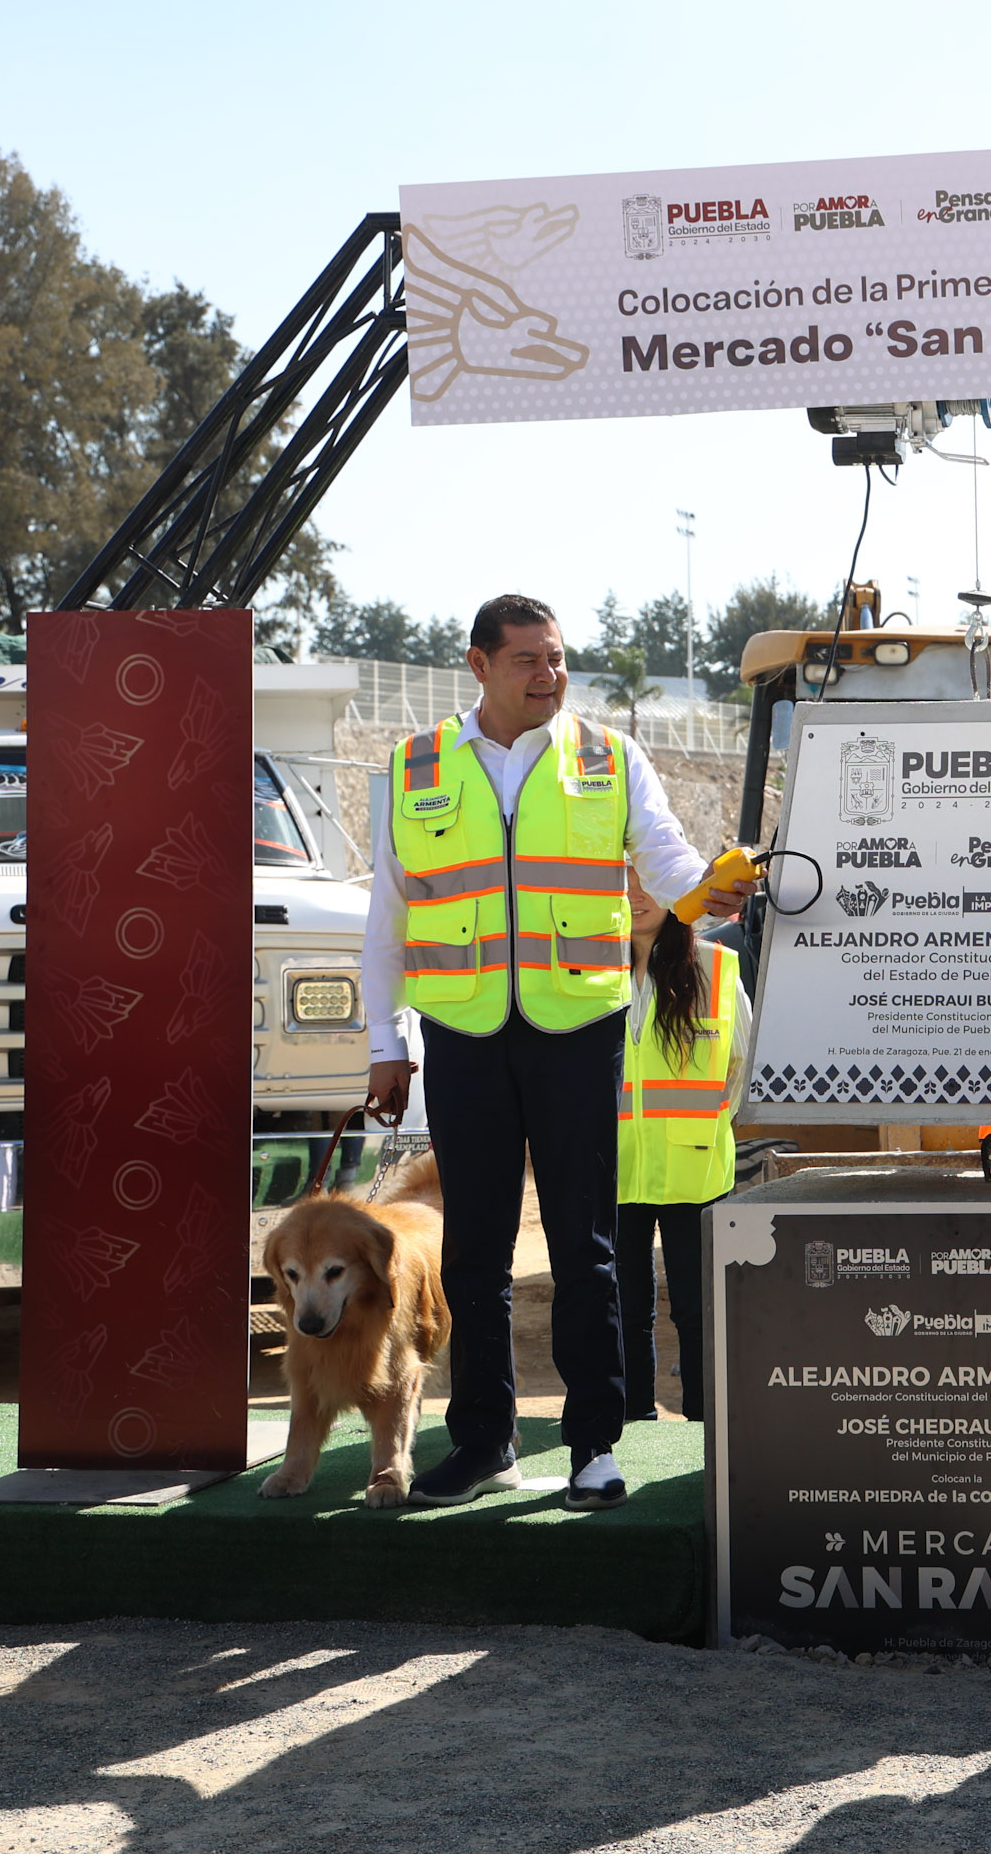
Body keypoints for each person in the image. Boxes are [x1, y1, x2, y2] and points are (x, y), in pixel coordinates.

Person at [361, 596, 751, 1511]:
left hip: (577, 1031)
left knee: (586, 1247)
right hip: (462, 1036)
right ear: (479, 664)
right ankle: (482, 1443)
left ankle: (594, 1446)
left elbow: (666, 858)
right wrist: (385, 1044)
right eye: (528, 660)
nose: (550, 675)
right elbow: (388, 915)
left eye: (558, 658)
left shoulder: (609, 757)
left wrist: (709, 888)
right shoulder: (417, 765)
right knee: (474, 1252)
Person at [617, 877, 750, 1423]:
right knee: (623, 1310)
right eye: (622, 880)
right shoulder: (585, 972)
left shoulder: (715, 969)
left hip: (695, 1171)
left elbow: (739, 1066)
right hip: (614, 1171)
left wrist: (701, 1127)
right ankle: (630, 1420)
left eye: (647, 881)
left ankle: (702, 1422)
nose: (634, 893)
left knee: (697, 1311)